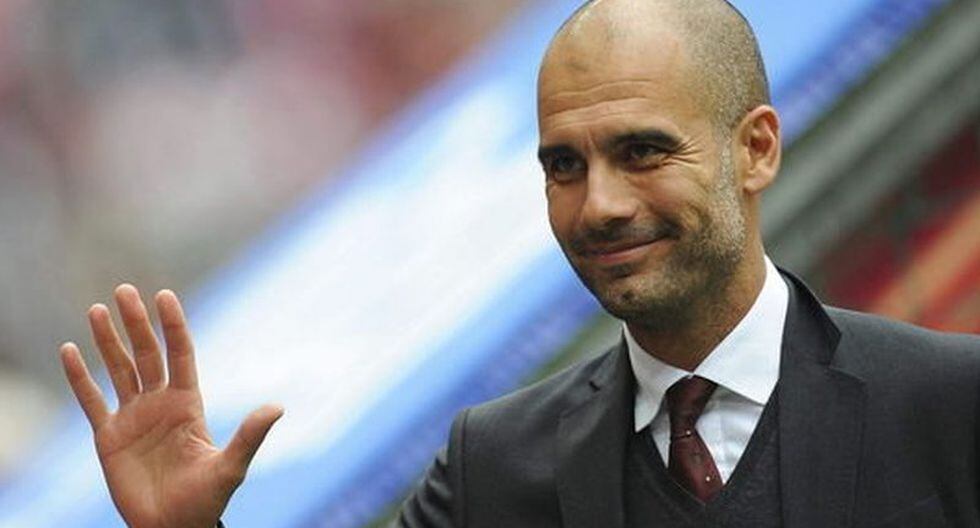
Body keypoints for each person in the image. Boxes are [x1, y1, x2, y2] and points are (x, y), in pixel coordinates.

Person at [61, 0, 980, 526]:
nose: (601, 204)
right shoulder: (494, 469)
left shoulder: (946, 407)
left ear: (757, 149)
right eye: (564, 166)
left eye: (643, 151)